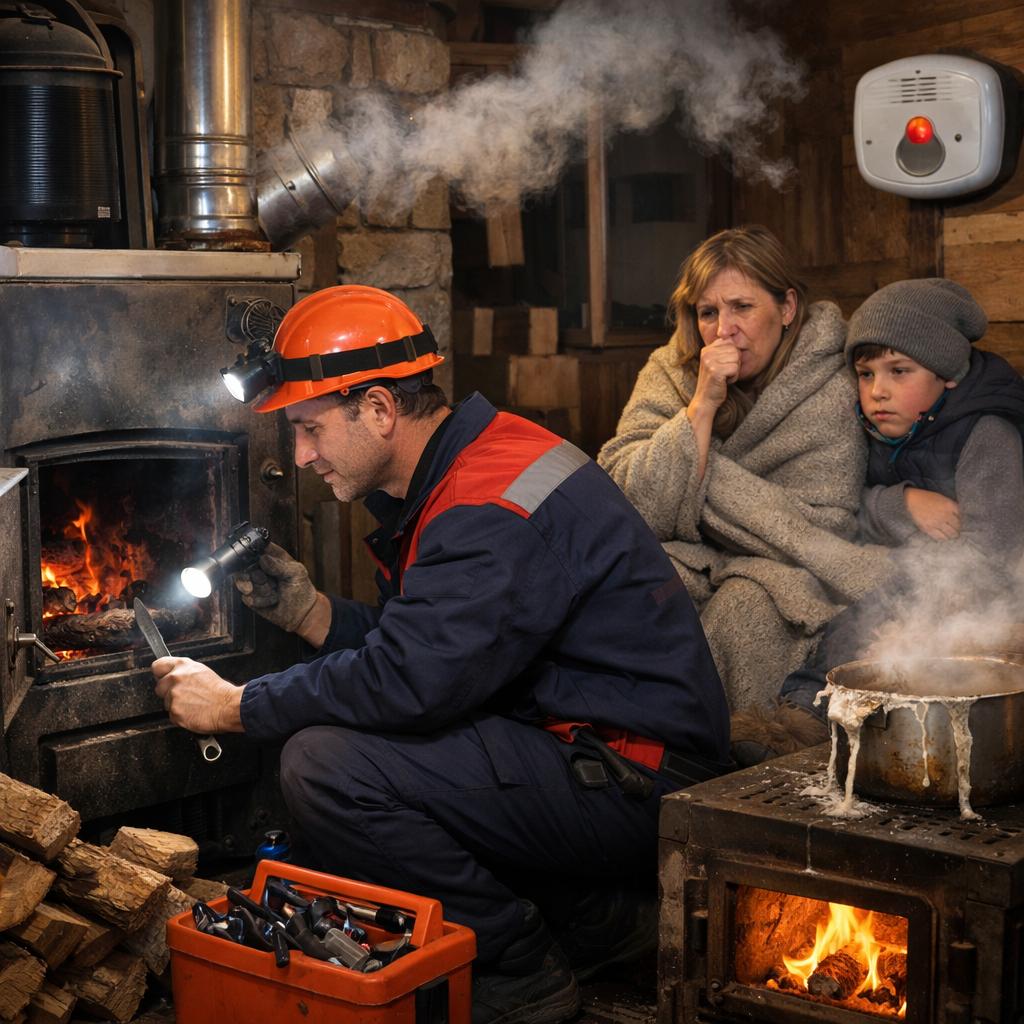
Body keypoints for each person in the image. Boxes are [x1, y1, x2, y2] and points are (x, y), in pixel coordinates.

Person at [149, 284, 732, 1024]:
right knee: (361, 740)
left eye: (309, 429)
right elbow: (439, 652)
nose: (300, 456)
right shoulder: (471, 464)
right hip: (596, 752)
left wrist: (237, 706)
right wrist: (313, 614)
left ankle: (515, 965)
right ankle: (599, 919)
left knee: (325, 766)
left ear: (381, 410)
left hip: (643, 784)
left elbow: (412, 682)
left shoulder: (485, 504)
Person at [733, 277, 1024, 764]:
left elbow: (994, 553)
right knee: (852, 612)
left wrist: (910, 574)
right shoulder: (879, 428)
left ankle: (815, 719)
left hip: (991, 592)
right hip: (910, 571)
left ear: (948, 373)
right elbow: (844, 507)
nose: (878, 391)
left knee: (873, 608)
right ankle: (801, 716)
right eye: (866, 375)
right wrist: (900, 504)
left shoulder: (988, 432)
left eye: (899, 371)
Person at [598, 225, 885, 712]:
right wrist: (700, 410)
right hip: (694, 560)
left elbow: (822, 528)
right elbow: (623, 502)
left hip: (793, 575)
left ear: (787, 308)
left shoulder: (829, 384)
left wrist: (694, 482)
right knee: (623, 586)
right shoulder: (669, 371)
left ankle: (715, 755)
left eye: (742, 307)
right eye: (707, 312)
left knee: (744, 609)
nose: (722, 329)